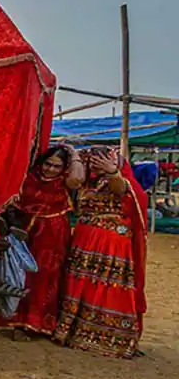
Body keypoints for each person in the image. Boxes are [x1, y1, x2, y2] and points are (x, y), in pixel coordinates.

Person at [52, 146, 148, 358]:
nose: (94, 164)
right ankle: (74, 332)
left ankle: (109, 338)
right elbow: (74, 182)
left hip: (111, 244)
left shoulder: (120, 178)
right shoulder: (84, 180)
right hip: (84, 241)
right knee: (81, 285)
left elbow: (122, 190)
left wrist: (112, 171)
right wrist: (75, 156)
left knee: (108, 286)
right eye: (91, 161)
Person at [0, 145, 83, 340]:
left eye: (57, 166)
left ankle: (37, 325)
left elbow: (77, 179)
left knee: (46, 279)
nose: (50, 169)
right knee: (21, 275)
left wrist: (73, 153)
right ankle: (17, 322)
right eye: (48, 164)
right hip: (25, 233)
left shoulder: (65, 182)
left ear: (64, 168)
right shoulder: (28, 178)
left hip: (53, 237)